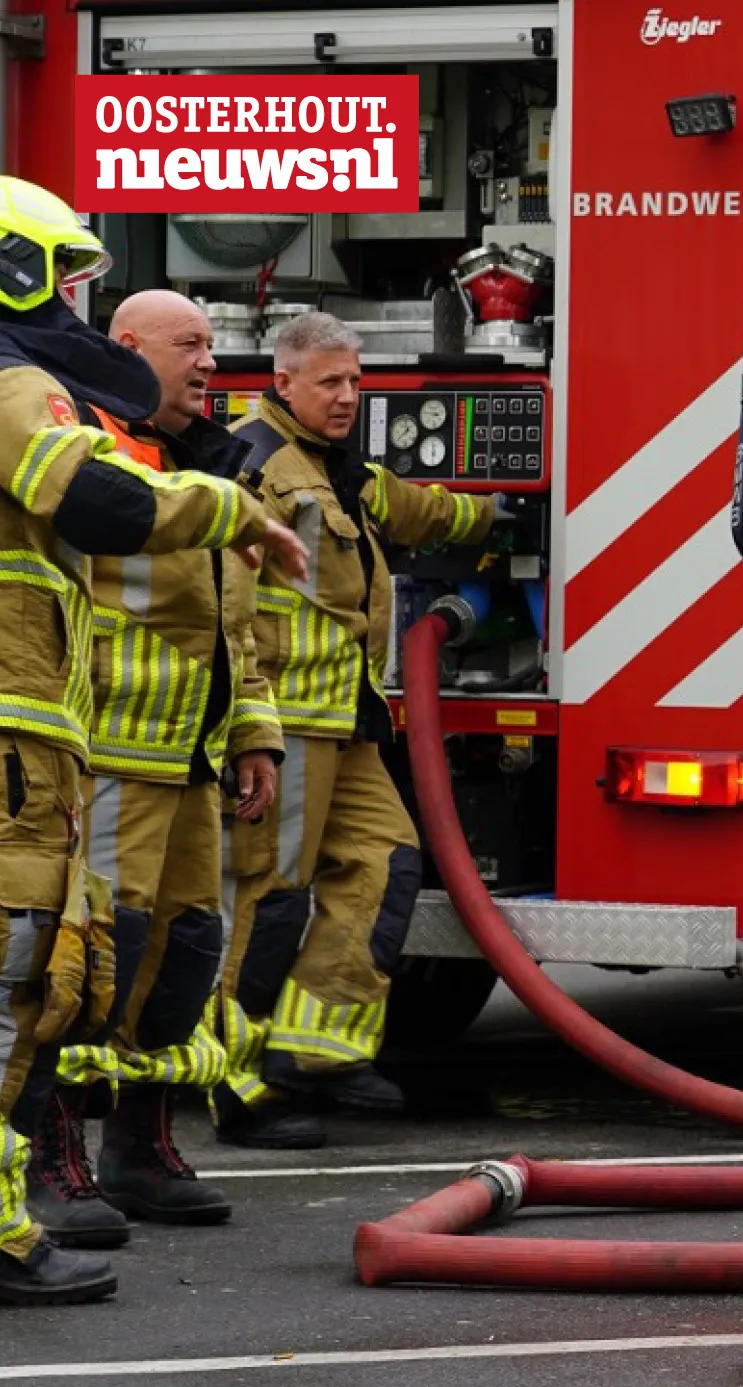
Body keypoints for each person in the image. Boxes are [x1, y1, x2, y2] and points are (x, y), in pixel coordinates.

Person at [0, 177, 304, 1302]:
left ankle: (130, 1143)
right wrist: (219, 505)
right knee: (62, 970)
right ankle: (51, 1170)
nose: (204, 362)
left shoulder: (195, 448)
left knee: (160, 957)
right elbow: (100, 509)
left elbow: (240, 629)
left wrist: (253, 732)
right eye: (184, 343)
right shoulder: (44, 404)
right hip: (74, 746)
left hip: (157, 753)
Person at [211, 311, 497, 1149]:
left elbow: (411, 507)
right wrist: (248, 724)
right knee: (267, 901)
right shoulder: (254, 468)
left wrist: (489, 521)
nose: (348, 395)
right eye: (330, 382)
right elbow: (225, 607)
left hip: (348, 722)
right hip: (284, 723)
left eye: (355, 379)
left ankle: (314, 1053)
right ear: (283, 380)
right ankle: (237, 1080)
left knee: (386, 864)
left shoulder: (338, 471)